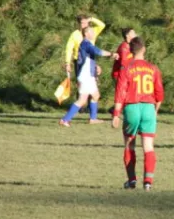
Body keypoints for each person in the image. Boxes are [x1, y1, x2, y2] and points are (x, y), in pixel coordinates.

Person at [112, 37, 164, 191]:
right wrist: (155, 110)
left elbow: (120, 92)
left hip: (132, 107)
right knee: (148, 146)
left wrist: (116, 114)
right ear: (144, 49)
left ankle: (132, 180)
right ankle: (148, 182)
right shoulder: (153, 68)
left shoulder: (126, 68)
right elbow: (159, 93)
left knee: (130, 144)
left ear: (131, 51)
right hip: (148, 107)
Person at [59, 25, 118, 126]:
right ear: (86, 34)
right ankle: (65, 120)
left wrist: (95, 66)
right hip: (85, 76)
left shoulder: (87, 44)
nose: (94, 33)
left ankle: (93, 119)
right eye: (91, 32)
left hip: (88, 75)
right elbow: (97, 51)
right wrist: (112, 54)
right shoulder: (86, 43)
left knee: (95, 96)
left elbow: (89, 59)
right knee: (82, 100)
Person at [65, 15, 106, 82]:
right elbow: (69, 49)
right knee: (82, 85)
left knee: (93, 84)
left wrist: (91, 19)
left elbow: (102, 25)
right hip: (79, 62)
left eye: (86, 22)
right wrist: (67, 63)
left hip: (90, 60)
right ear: (79, 24)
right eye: (82, 23)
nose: (85, 25)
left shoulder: (92, 31)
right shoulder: (74, 34)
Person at [110, 28, 137, 116]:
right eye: (133, 33)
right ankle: (116, 111)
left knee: (127, 94)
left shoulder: (132, 46)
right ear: (127, 35)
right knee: (123, 94)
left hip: (128, 74)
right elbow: (124, 64)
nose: (135, 34)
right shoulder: (124, 47)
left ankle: (114, 110)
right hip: (120, 74)